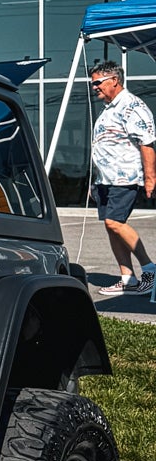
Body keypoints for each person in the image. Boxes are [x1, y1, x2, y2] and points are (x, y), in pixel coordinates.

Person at [88, 61, 156, 297]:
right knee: (112, 228)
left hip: (124, 177)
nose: (93, 87)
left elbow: (146, 143)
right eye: (92, 82)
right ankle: (127, 278)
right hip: (105, 180)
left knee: (114, 223)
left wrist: (150, 178)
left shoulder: (131, 106)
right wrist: (95, 180)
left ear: (114, 80)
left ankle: (150, 269)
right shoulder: (109, 108)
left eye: (97, 82)